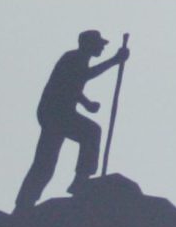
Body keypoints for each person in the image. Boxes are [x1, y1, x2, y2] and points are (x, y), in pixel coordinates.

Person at [12, 29, 128, 213]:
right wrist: (114, 61)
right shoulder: (73, 58)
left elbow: (72, 85)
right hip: (56, 113)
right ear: (89, 44)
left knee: (46, 161)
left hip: (58, 113)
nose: (102, 47)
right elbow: (81, 77)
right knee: (89, 134)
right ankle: (80, 181)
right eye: (100, 44)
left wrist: (87, 104)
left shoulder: (77, 60)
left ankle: (25, 201)